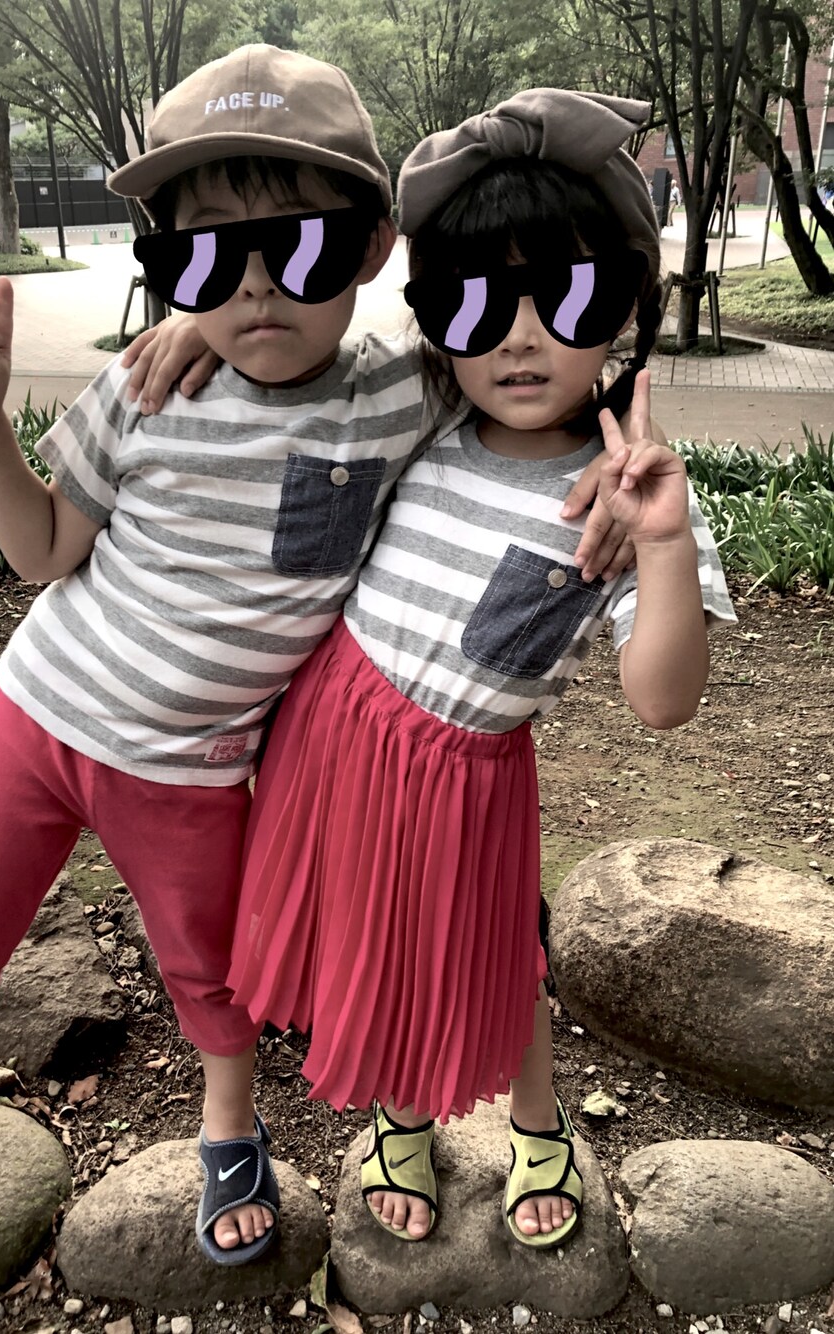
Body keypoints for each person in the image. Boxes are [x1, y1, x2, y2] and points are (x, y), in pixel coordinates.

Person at [0, 43, 429, 1264]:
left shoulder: (402, 397)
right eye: (205, 257)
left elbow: (506, 321)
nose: (255, 287)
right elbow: (42, 549)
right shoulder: (144, 390)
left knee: (210, 966)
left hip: (191, 766)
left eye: (301, 246)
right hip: (36, 713)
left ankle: (228, 1125)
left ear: (374, 247)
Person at [219, 89, 738, 1247]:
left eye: (566, 294)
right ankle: (399, 1114)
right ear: (434, 318)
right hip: (332, 734)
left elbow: (661, 699)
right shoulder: (421, 414)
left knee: (497, 959)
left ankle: (536, 1123)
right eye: (473, 299)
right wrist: (180, 330)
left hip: (463, 775)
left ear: (624, 305)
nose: (519, 335)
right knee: (378, 945)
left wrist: (660, 540)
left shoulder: (629, 493)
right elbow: (279, 356)